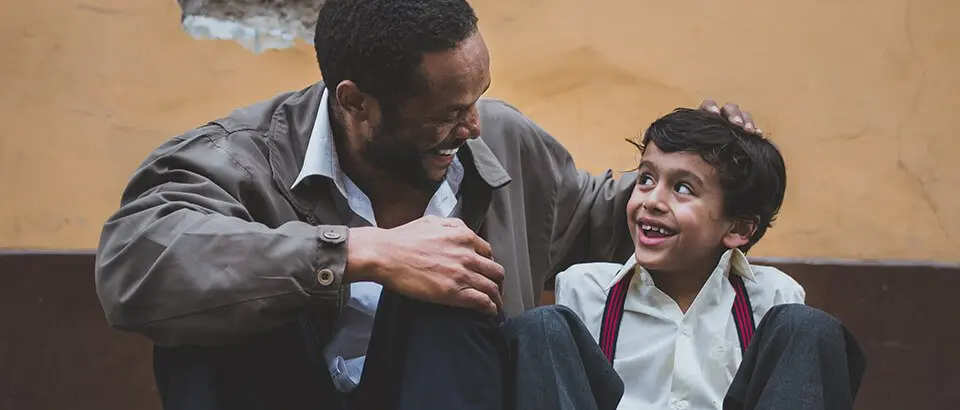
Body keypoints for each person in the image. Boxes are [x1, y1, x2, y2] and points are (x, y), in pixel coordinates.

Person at [94, 0, 760, 409]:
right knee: (218, 319)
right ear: (355, 102)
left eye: (476, 101)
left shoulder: (501, 139)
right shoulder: (240, 158)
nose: (473, 126)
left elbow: (598, 219)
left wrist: (702, 179)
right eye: (447, 114)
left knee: (453, 286)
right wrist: (359, 253)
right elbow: (135, 265)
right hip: (280, 389)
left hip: (452, 394)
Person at [554, 108, 867, 410]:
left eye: (682, 188)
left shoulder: (773, 299)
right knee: (541, 326)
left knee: (810, 327)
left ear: (739, 228)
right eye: (646, 178)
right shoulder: (587, 290)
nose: (652, 200)